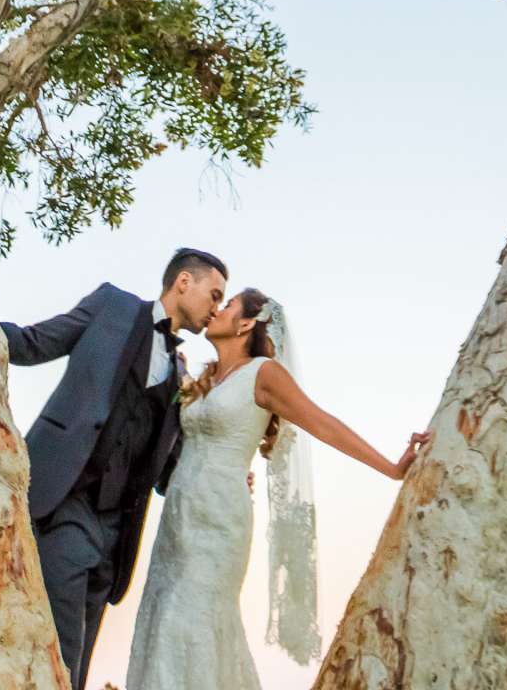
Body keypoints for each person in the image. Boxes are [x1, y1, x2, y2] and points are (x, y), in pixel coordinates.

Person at [123, 287, 431, 690]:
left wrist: (391, 468)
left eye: (228, 304)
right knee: (162, 615)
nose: (216, 308)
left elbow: (323, 424)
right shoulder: (201, 378)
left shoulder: (264, 374)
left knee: (193, 618)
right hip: (177, 520)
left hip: (219, 523)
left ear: (247, 324)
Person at [0, 247, 225, 690]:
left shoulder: (180, 369)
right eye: (214, 295)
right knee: (60, 650)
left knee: (78, 665)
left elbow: (165, 470)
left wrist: (220, 472)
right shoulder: (112, 306)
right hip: (63, 501)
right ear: (184, 281)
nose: (215, 308)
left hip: (115, 532)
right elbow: (33, 343)